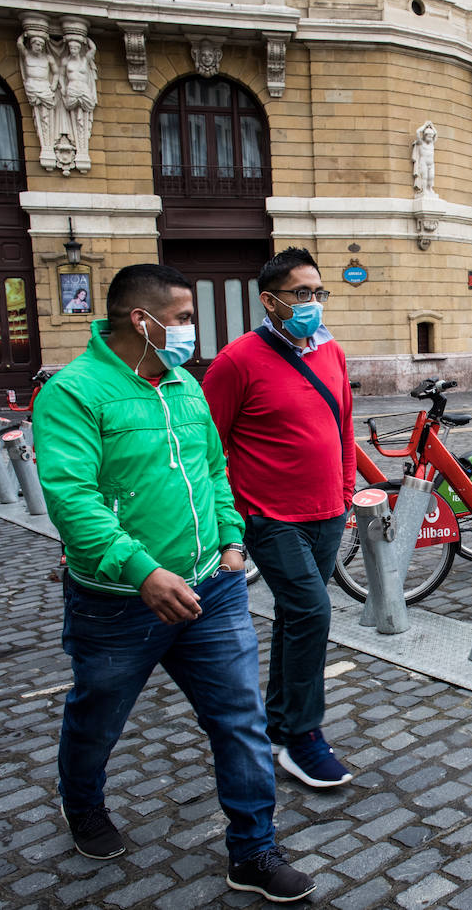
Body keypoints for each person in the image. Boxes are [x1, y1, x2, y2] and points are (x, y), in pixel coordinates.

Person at [32, 263, 314, 902]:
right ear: (143, 320)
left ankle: (253, 851)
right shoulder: (74, 394)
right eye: (184, 318)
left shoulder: (187, 384)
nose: (192, 330)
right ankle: (84, 805)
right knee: (98, 716)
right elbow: (71, 498)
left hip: (211, 588)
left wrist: (232, 538)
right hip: (118, 603)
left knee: (240, 717)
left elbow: (214, 468)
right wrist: (141, 571)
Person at [202, 247, 356, 790]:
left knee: (296, 617)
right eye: (302, 294)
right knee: (313, 613)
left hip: (327, 512)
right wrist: (231, 523)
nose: (313, 302)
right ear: (270, 301)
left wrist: (344, 494)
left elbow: (343, 426)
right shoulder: (236, 361)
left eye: (319, 292)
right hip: (269, 515)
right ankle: (301, 736)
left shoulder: (330, 352)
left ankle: (278, 720)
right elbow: (208, 450)